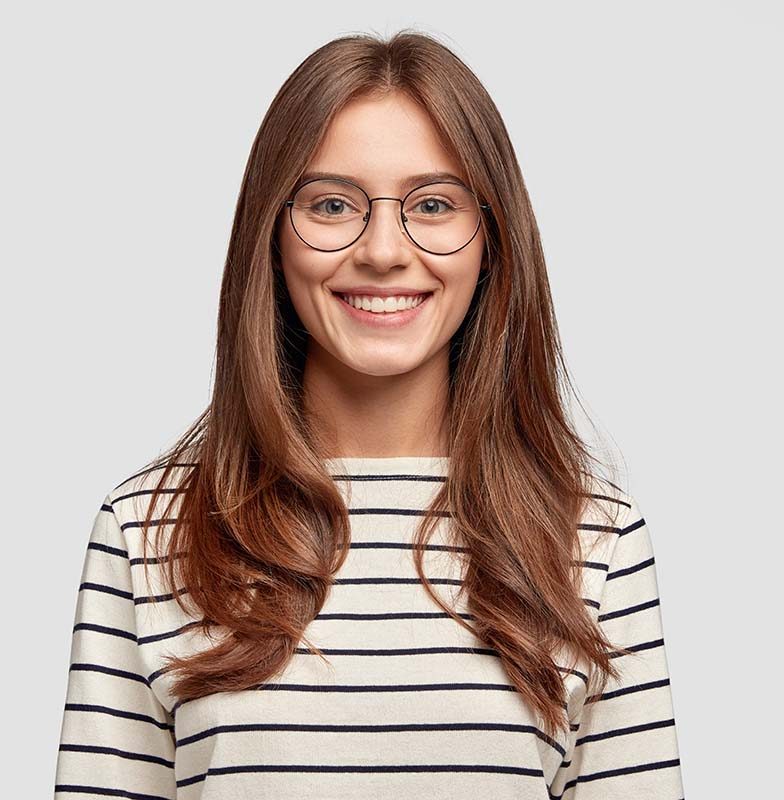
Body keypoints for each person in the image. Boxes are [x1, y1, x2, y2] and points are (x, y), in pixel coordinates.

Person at [54, 29, 685, 799]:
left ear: (491, 239)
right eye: (331, 204)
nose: (384, 249)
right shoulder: (148, 532)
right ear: (272, 233)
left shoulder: (597, 537)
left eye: (432, 204)